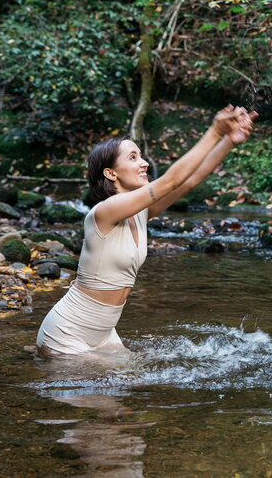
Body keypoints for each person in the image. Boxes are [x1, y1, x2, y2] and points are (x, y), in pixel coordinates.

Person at [36, 105, 257, 356]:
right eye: (132, 158)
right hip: (68, 333)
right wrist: (214, 131)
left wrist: (228, 140)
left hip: (104, 333)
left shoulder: (140, 212)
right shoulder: (104, 212)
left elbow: (190, 180)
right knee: (108, 391)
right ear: (110, 173)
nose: (143, 163)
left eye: (140, 156)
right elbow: (170, 180)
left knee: (131, 386)